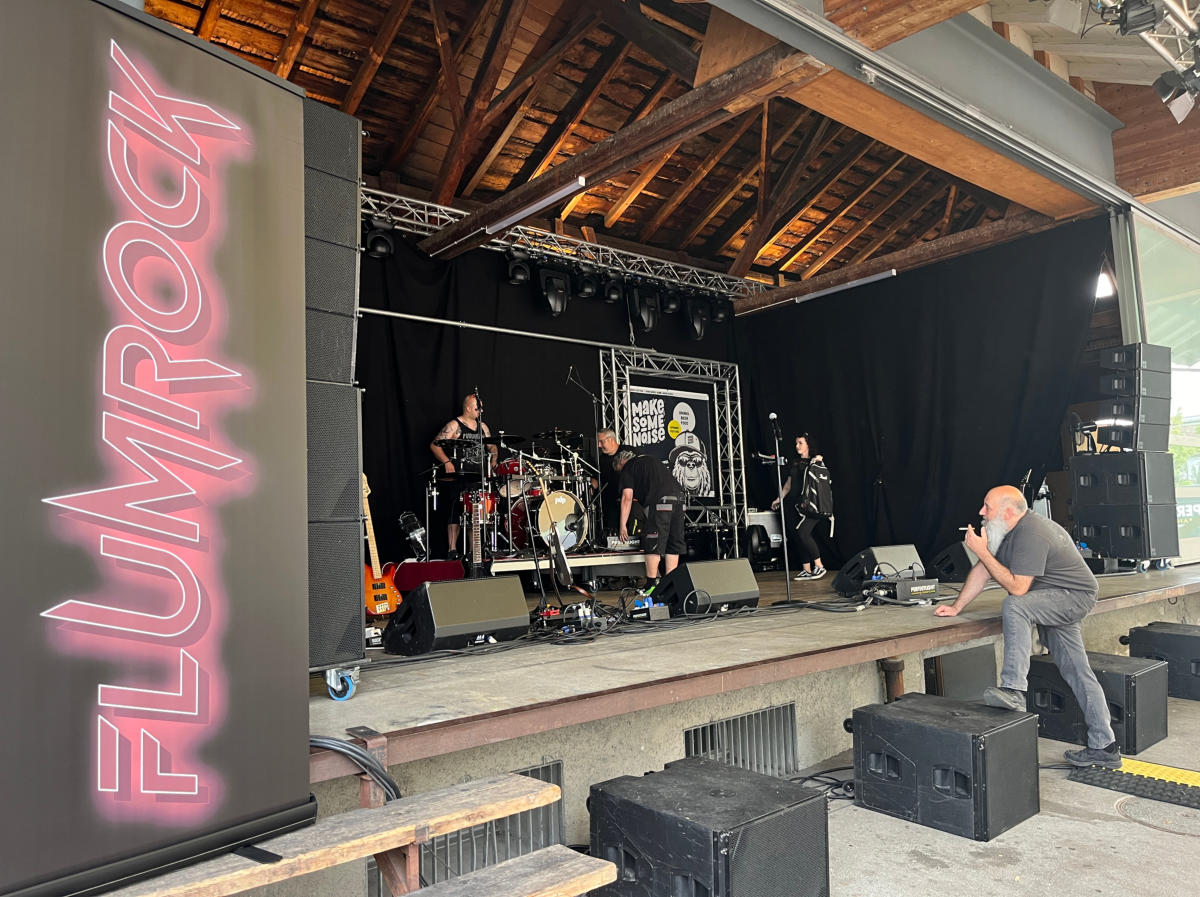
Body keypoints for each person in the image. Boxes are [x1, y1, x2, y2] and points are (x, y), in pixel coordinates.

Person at [933, 485, 1120, 768]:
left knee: (1015, 605)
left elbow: (1018, 589)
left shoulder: (1032, 533)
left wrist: (981, 551)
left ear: (1008, 512)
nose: (981, 512)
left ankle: (1014, 689)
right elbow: (983, 570)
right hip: (1052, 598)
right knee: (1078, 672)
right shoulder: (1005, 532)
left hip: (1072, 597)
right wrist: (957, 607)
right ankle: (1105, 746)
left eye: (987, 507)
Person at [429, 394, 497, 557]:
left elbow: (492, 446)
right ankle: (452, 550)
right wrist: (447, 462)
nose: (481, 411)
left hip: (478, 476)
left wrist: (494, 459)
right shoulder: (455, 425)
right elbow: (435, 445)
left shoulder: (483, 426)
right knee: (455, 512)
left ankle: (474, 552)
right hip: (459, 476)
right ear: (468, 408)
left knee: (475, 514)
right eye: (478, 408)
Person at [614, 450, 685, 591]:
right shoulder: (652, 459)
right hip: (679, 499)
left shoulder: (628, 467)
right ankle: (669, 585)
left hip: (660, 501)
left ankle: (651, 585)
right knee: (673, 543)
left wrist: (622, 525)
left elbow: (627, 497)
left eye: (619, 471)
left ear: (621, 462)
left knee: (653, 540)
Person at [770, 433, 827, 580]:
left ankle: (819, 566)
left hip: (811, 506)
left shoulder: (815, 461)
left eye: (800, 443)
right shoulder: (795, 463)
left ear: (808, 444)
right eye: (796, 443)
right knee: (798, 536)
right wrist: (779, 499)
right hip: (796, 506)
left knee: (803, 533)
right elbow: (788, 485)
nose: (797, 446)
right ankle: (806, 569)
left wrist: (817, 460)